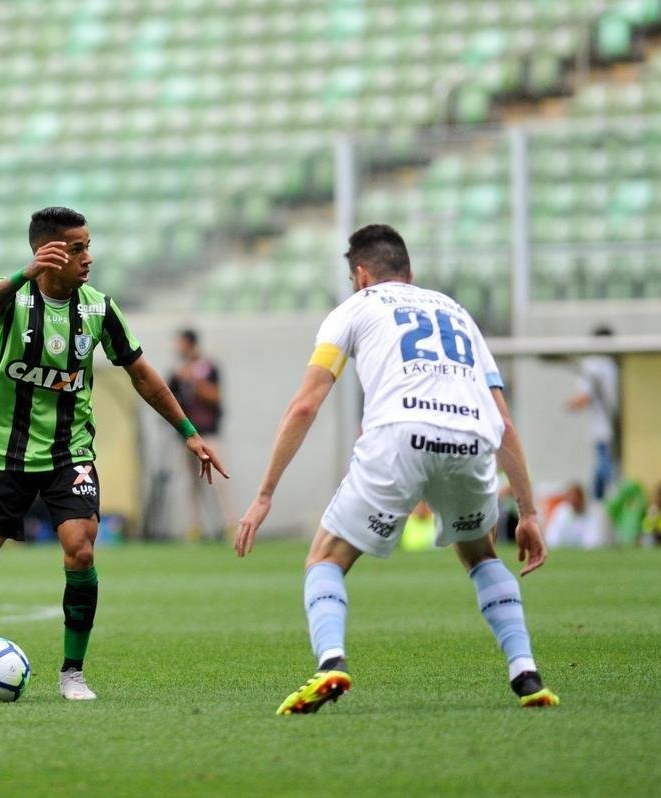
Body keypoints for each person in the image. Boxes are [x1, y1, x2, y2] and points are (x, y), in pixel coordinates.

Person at [234, 224, 558, 714]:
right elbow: (504, 421)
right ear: (411, 273)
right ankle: (526, 672)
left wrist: (263, 495)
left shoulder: (354, 309)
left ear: (361, 275)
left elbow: (305, 406)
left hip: (398, 435)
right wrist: (529, 512)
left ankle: (331, 662)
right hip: (472, 438)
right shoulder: (458, 313)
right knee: (481, 554)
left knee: (324, 560)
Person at [0, 207, 228, 703]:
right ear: (47, 253)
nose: (87, 258)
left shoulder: (98, 309)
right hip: (6, 454)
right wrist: (22, 273)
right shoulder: (13, 298)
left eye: (88, 245)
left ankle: (73, 672)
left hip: (69, 454)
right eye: (76, 248)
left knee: (81, 549)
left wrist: (187, 430)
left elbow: (141, 373)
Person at [168, 329, 230, 540]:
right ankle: (195, 527)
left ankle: (229, 525)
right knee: (191, 483)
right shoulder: (177, 372)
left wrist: (193, 381)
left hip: (208, 433)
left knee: (219, 483)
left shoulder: (207, 367)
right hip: (186, 437)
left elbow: (215, 396)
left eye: (181, 342)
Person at [565, 326, 619, 500]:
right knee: (607, 469)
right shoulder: (613, 365)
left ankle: (603, 506)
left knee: (604, 474)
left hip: (602, 429)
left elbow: (583, 397)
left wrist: (569, 404)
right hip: (615, 428)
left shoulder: (593, 364)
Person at [544, 483, 606, 549]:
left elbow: (593, 541)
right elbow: (552, 536)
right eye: (570, 497)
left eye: (576, 497)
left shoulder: (592, 513)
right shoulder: (561, 511)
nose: (573, 500)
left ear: (581, 498)